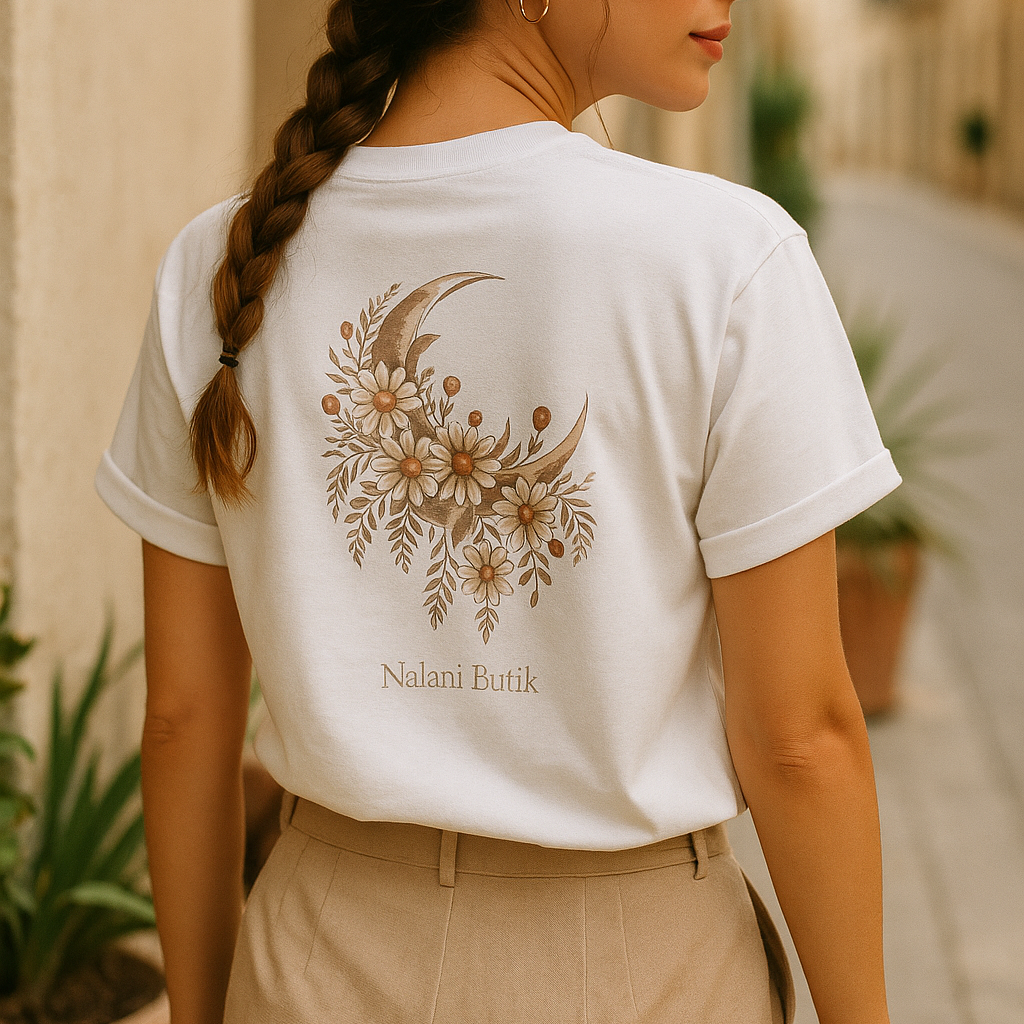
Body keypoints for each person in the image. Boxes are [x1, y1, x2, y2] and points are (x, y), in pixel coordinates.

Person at [95, 0, 901, 1021]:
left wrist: (207, 1009)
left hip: (315, 955)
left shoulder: (217, 263)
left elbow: (183, 721)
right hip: (638, 971)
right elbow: (799, 739)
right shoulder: (726, 261)